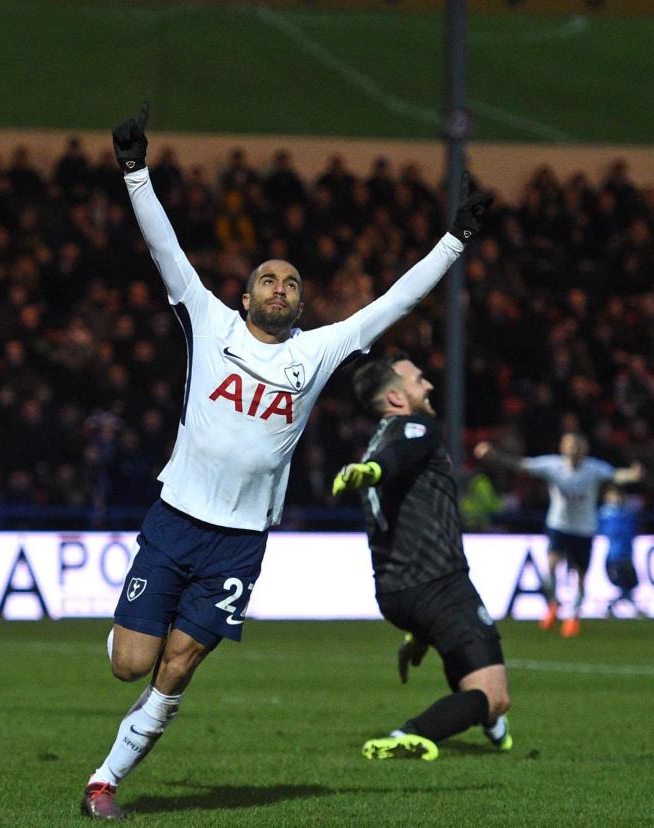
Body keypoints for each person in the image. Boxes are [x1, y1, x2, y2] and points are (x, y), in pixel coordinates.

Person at [79, 103, 492, 820]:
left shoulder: (317, 351)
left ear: (301, 304)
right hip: (175, 518)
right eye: (268, 280)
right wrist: (135, 170)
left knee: (178, 670)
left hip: (239, 543)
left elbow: (394, 301)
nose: (281, 288)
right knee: (131, 665)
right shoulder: (208, 322)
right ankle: (123, 645)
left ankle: (104, 783)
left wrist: (455, 240)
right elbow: (166, 249)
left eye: (292, 283)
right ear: (244, 297)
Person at [333, 353, 512, 761]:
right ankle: (410, 734)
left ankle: (487, 722)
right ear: (396, 398)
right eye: (418, 379)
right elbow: (393, 462)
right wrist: (374, 471)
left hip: (396, 593)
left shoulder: (378, 439)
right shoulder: (415, 428)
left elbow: (392, 464)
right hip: (439, 584)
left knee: (464, 654)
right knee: (493, 696)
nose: (429, 385)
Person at [474, 434, 642, 637]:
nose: (574, 450)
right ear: (563, 448)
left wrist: (632, 475)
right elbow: (521, 465)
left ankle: (573, 617)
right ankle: (553, 604)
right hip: (559, 525)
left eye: (577, 446)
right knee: (552, 564)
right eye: (570, 446)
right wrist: (495, 455)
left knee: (580, 576)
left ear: (584, 449)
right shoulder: (552, 465)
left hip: (584, 528)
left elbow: (615, 475)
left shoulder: (593, 468)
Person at [598, 484, 642, 617]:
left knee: (632, 584)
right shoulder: (606, 515)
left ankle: (612, 608)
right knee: (624, 584)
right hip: (615, 556)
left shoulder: (627, 513)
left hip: (628, 554)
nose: (617, 498)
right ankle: (632, 608)